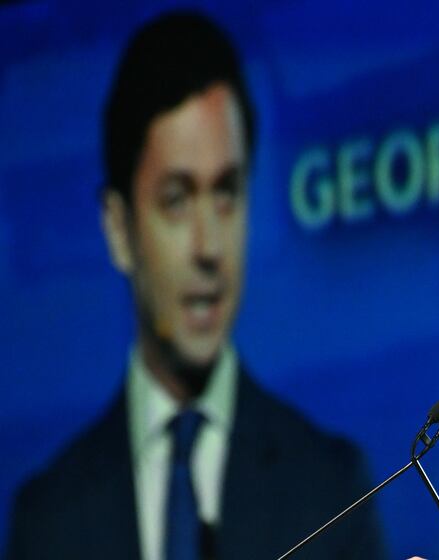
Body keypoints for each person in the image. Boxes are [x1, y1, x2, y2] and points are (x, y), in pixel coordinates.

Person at [5, 12, 385, 560]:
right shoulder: (48, 520)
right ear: (118, 227)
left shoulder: (332, 490)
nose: (208, 247)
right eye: (177, 200)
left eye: (226, 193)